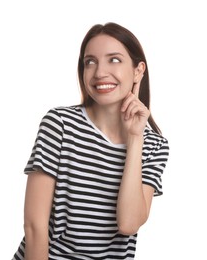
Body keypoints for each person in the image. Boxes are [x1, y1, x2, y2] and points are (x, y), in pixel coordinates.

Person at [12, 22, 169, 260]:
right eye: (90, 62)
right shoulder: (60, 124)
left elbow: (128, 224)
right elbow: (35, 228)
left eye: (114, 59)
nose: (99, 72)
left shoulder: (155, 146)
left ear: (138, 70)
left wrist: (135, 138)